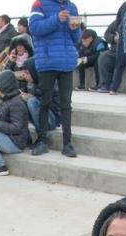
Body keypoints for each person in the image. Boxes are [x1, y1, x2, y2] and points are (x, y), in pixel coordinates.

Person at [29, 0, 82, 158]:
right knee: (44, 102)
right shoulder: (39, 4)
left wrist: (75, 29)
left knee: (66, 105)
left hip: (66, 62)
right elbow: (35, 29)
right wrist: (56, 19)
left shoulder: (72, 6)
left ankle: (68, 143)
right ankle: (42, 140)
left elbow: (76, 38)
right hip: (47, 61)